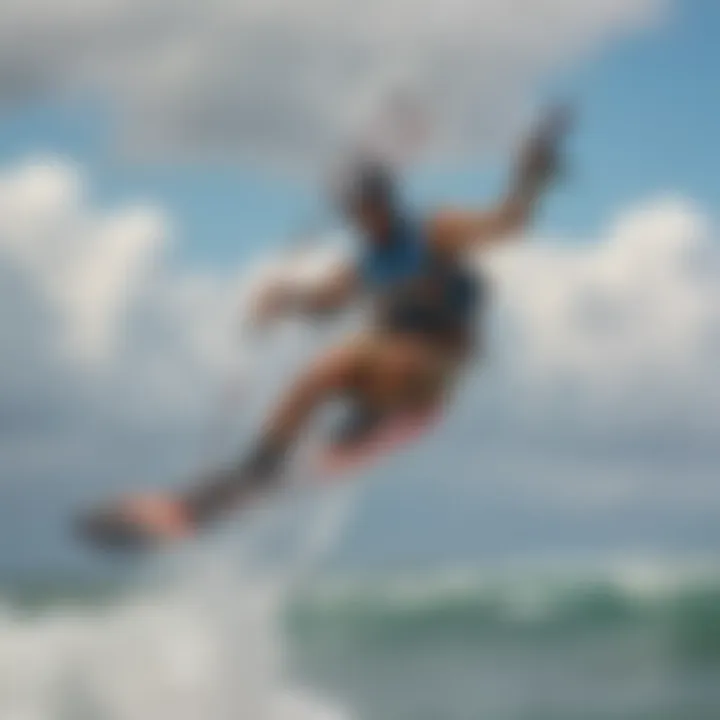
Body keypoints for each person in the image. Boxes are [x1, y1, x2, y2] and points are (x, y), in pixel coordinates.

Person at [78, 106, 571, 551]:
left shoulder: (436, 230)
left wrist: (529, 176)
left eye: (364, 208)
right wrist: (283, 298)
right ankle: (244, 481)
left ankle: (361, 429)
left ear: (383, 200)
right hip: (386, 377)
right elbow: (322, 304)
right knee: (315, 376)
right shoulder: (366, 262)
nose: (359, 220)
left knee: (366, 355)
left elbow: (508, 223)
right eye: (352, 213)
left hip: (432, 375)